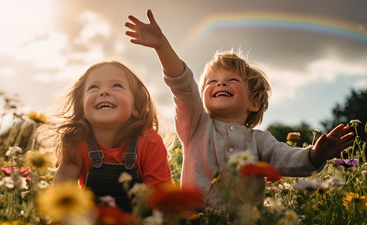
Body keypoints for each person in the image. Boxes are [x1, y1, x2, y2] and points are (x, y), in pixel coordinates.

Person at [125, 10, 354, 209]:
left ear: (253, 103)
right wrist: (162, 46)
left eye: (231, 79)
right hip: (196, 218)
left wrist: (315, 154)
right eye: (211, 82)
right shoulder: (196, 126)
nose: (220, 84)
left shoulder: (260, 141)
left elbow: (287, 159)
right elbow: (183, 87)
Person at [50, 60, 172, 212]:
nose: (104, 92)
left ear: (136, 107)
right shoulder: (76, 141)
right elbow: (62, 193)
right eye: (94, 87)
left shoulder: (149, 141)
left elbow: (162, 199)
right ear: (81, 107)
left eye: (117, 86)